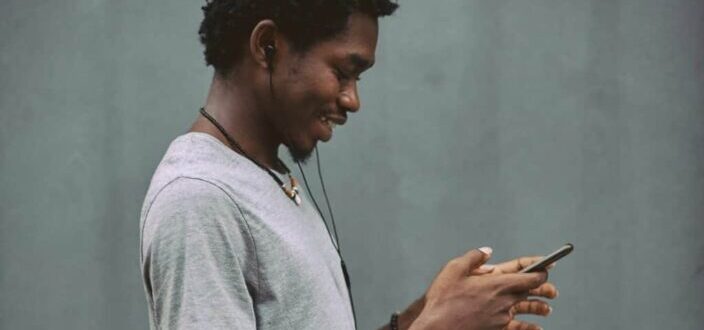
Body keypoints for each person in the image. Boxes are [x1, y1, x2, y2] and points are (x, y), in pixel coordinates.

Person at [139, 1, 559, 329]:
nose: (352, 100)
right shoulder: (200, 200)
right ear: (267, 46)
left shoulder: (265, 178)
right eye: (343, 71)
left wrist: (429, 311)